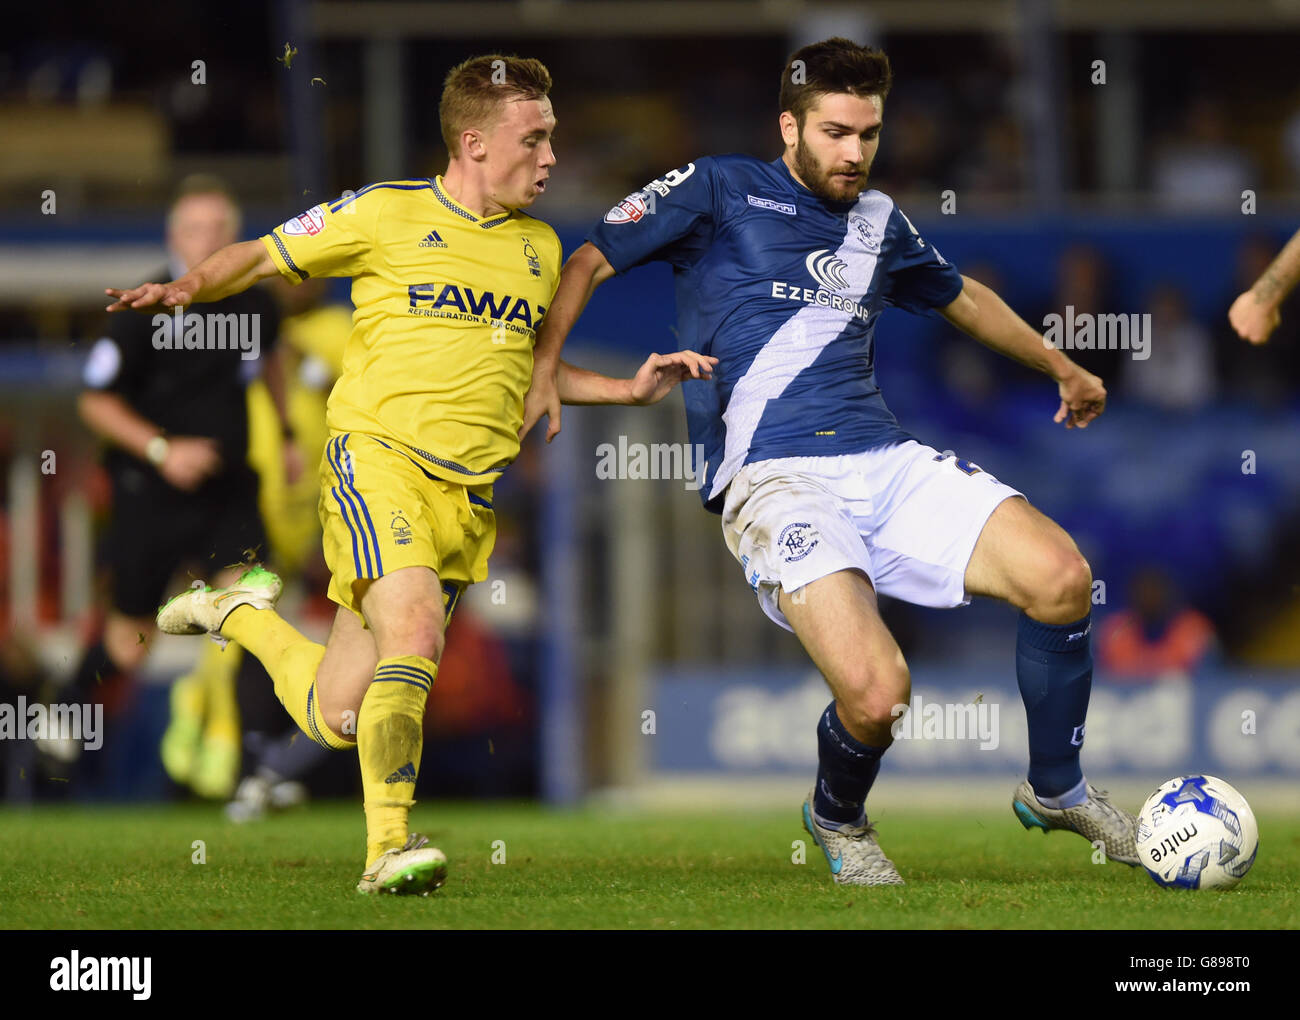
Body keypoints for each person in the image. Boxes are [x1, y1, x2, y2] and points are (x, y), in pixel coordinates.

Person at [523, 37, 1137, 885]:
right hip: (775, 480)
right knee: (879, 695)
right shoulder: (717, 188)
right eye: (837, 132)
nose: (855, 153)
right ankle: (837, 816)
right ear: (790, 125)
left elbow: (964, 300)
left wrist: (1062, 365)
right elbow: (590, 257)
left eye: (870, 134)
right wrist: (546, 369)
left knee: (1063, 577)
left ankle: (1057, 785)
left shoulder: (881, 222)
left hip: (884, 458)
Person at [111, 54, 714, 895]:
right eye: (532, 139)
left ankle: (235, 615)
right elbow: (258, 257)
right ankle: (386, 849)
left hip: (466, 504)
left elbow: (534, 375)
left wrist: (628, 388)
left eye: (552, 140)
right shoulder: (386, 214)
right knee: (417, 635)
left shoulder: (540, 250)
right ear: (473, 141)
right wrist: (188, 287)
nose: (549, 159)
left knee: (337, 715)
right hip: (376, 462)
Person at [74, 174, 297, 799]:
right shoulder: (142, 306)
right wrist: (161, 449)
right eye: (197, 228)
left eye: (221, 229)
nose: (210, 239)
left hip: (228, 493)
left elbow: (271, 362)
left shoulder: (256, 302)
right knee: (130, 642)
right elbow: (95, 401)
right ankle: (58, 727)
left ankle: (256, 771)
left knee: (252, 613)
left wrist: (285, 435)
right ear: (174, 236)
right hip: (152, 493)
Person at [1228, 225, 1300, 345]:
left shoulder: (1294, 311)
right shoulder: (1228, 310)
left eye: (1261, 264)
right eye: (1250, 264)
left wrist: (1264, 298)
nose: (1255, 269)